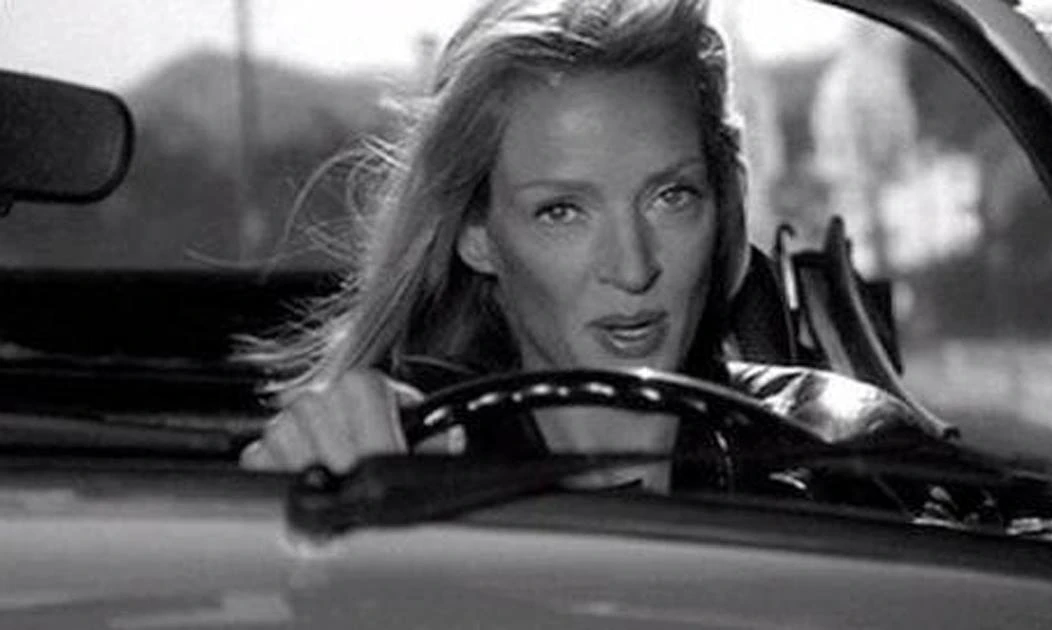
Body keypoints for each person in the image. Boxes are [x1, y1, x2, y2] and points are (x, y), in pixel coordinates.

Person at [239, 0, 754, 491]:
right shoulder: (417, 446)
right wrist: (298, 497)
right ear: (476, 233)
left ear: (722, 201)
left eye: (672, 197)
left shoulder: (794, 442)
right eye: (561, 211)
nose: (633, 269)